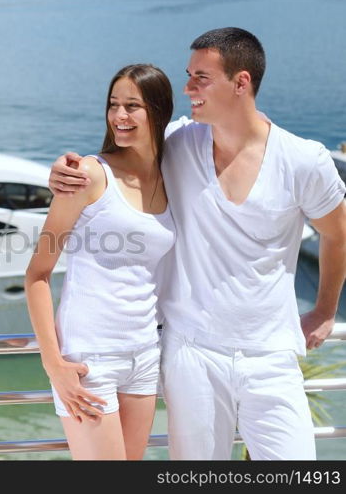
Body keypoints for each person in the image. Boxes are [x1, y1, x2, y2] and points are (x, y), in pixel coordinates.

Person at [48, 27, 346, 460]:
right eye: (189, 76)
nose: (187, 88)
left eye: (200, 78)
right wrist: (63, 169)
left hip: (272, 357)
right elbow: (119, 155)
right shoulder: (179, 143)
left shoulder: (303, 160)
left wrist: (323, 309)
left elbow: (338, 232)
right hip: (191, 356)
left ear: (241, 83)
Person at [24, 64, 176, 460]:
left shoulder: (172, 175)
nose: (119, 117)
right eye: (113, 105)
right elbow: (37, 275)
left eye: (132, 106)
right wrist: (53, 364)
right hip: (89, 359)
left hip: (144, 353)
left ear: (158, 111)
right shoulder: (89, 175)